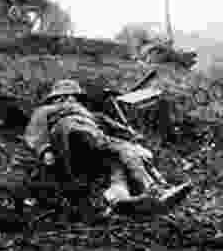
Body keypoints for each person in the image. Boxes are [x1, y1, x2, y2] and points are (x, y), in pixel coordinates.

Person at [24, 79, 193, 216]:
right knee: (125, 150)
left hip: (93, 145)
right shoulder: (47, 110)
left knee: (117, 161)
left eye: (73, 97)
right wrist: (44, 149)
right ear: (57, 98)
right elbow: (35, 129)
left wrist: (132, 135)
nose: (70, 100)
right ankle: (155, 188)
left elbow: (114, 126)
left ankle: (119, 196)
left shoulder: (92, 115)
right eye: (66, 97)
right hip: (69, 137)